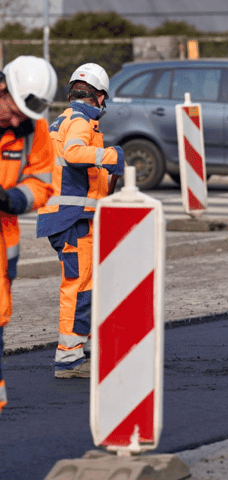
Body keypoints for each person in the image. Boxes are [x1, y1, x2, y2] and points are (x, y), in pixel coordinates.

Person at [37, 63, 125, 379]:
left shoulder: (60, 120)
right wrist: (112, 157)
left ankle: (77, 348)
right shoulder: (80, 120)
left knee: (82, 283)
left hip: (63, 216)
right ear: (99, 96)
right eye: (104, 99)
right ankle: (70, 358)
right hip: (72, 219)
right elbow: (75, 154)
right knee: (78, 285)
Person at [0, 56, 59, 410]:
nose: (19, 119)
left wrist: (11, 199)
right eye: (15, 109)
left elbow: (43, 181)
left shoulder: (34, 130)